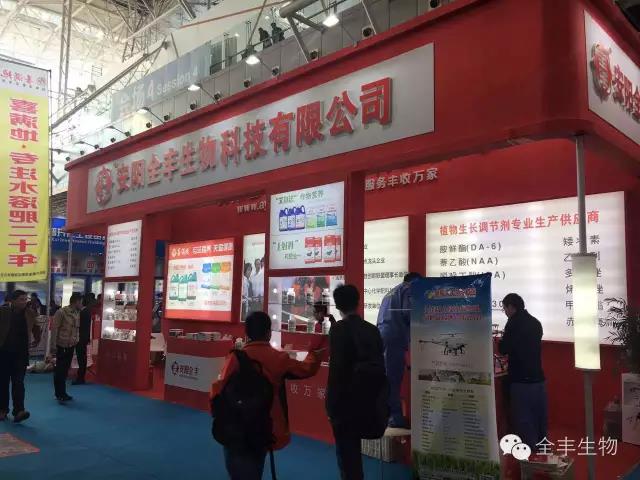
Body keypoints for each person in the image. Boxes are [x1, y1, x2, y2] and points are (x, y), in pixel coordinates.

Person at [211, 311, 326, 479]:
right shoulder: (279, 358)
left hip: (234, 426)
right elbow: (306, 369)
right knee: (255, 469)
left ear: (246, 333)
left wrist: (219, 414)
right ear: (268, 333)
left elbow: (218, 388)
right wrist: (316, 351)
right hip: (263, 427)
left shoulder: (235, 358)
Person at [327, 285, 385, 480]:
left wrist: (331, 406)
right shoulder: (372, 330)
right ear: (358, 302)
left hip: (345, 403)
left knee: (348, 458)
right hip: (370, 399)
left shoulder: (338, 330)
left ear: (338, 306)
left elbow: (336, 372)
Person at [499, 293, 547, 450]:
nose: (505, 312)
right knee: (539, 418)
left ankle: (529, 457)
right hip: (538, 379)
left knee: (524, 421)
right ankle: (543, 452)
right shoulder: (535, 322)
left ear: (511, 307)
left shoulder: (513, 323)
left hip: (521, 380)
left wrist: (499, 343)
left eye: (505, 308)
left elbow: (504, 348)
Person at [376, 272, 421, 428]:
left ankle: (387, 414)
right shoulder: (408, 289)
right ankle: (394, 418)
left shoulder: (392, 292)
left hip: (383, 336)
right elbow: (409, 314)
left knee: (387, 377)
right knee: (392, 378)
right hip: (394, 339)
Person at [0, 290, 41, 422]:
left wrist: (37, 338)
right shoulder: (3, 311)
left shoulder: (30, 313)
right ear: (12, 301)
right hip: (3, 353)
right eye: (21, 299)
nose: (24, 302)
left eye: (25, 299)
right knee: (3, 383)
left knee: (18, 383)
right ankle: (2, 410)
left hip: (21, 354)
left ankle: (19, 411)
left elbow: (36, 326)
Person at [50, 292, 83, 402]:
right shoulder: (61, 312)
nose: (81, 304)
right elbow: (54, 329)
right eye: (81, 302)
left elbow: (76, 329)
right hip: (62, 344)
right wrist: (53, 345)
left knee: (65, 370)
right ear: (76, 301)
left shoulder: (77, 313)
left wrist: (76, 340)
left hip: (71, 345)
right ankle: (59, 393)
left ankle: (62, 392)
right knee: (60, 370)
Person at [74, 293, 96, 385]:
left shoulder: (84, 312)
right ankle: (80, 377)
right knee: (82, 358)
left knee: (81, 359)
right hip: (83, 338)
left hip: (81, 338)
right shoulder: (86, 311)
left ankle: (80, 377)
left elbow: (81, 326)